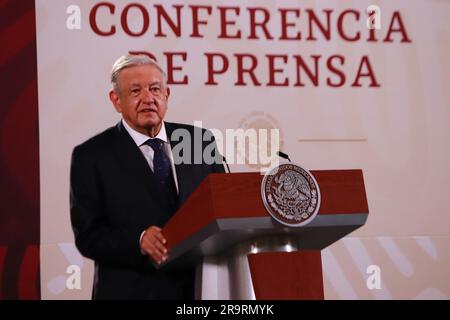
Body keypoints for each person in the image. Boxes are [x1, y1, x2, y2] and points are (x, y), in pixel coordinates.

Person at [70, 54, 225, 299]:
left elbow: (223, 208)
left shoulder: (198, 141)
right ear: (116, 100)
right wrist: (138, 240)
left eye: (155, 89)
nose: (148, 98)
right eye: (135, 91)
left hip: (199, 291)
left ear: (167, 95)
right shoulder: (92, 155)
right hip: (131, 291)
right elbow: (88, 236)